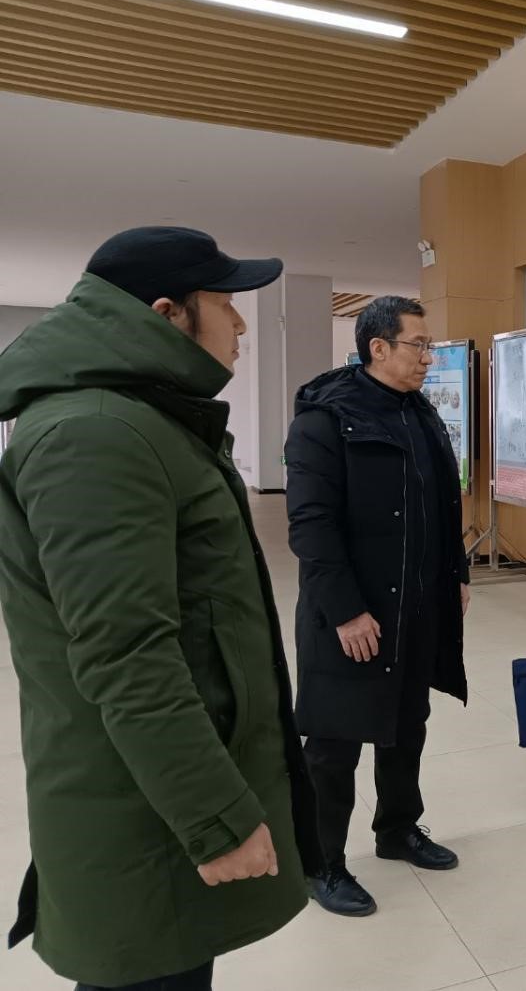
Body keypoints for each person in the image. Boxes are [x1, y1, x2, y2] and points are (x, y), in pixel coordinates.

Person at [0, 227, 322, 989]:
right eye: (227, 304)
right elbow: (126, 653)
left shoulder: (136, 419)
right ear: (167, 313)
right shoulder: (96, 434)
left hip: (158, 791)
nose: (241, 324)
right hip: (144, 810)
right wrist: (217, 818)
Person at [285, 297, 471, 917]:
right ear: (379, 348)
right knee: (334, 742)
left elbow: (443, 505)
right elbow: (311, 526)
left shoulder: (420, 413)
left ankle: (397, 829)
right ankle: (321, 862)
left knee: (406, 726)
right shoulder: (324, 421)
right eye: (419, 345)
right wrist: (345, 611)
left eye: (429, 346)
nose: (429, 357)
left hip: (417, 608)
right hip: (352, 615)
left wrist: (456, 576)